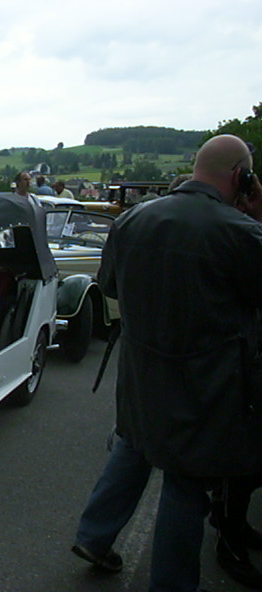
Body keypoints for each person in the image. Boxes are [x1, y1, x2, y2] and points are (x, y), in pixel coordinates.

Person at [81, 134, 262, 591]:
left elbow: (110, 285)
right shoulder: (240, 231)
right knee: (186, 483)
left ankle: (94, 536)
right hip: (206, 381)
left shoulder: (134, 219)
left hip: (142, 368)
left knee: (133, 448)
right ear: (241, 175)